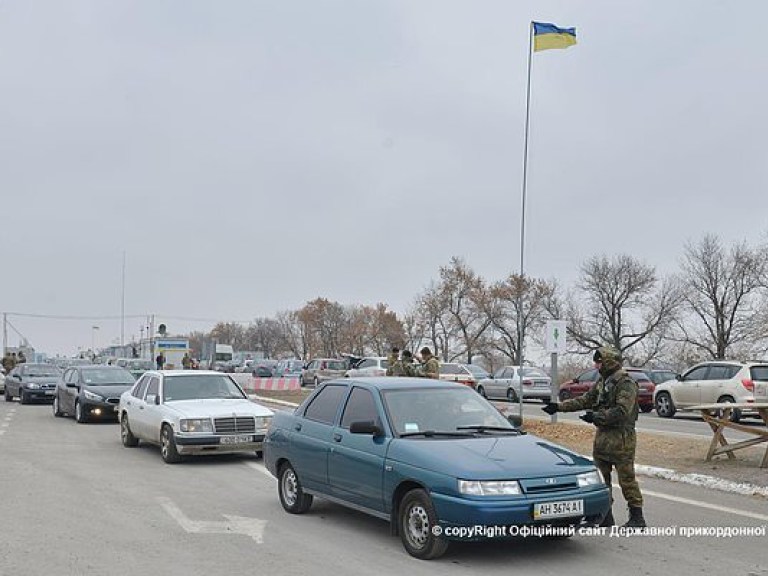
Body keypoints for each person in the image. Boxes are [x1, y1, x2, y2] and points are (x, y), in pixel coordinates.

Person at [542, 345, 646, 529]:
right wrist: (558, 407)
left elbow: (622, 411)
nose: (597, 366)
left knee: (626, 479)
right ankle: (606, 516)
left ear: (609, 362)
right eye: (596, 362)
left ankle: (637, 518)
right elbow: (585, 400)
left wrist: (596, 416)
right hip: (603, 439)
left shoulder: (626, 383)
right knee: (601, 479)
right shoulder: (602, 382)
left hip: (621, 440)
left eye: (599, 362)